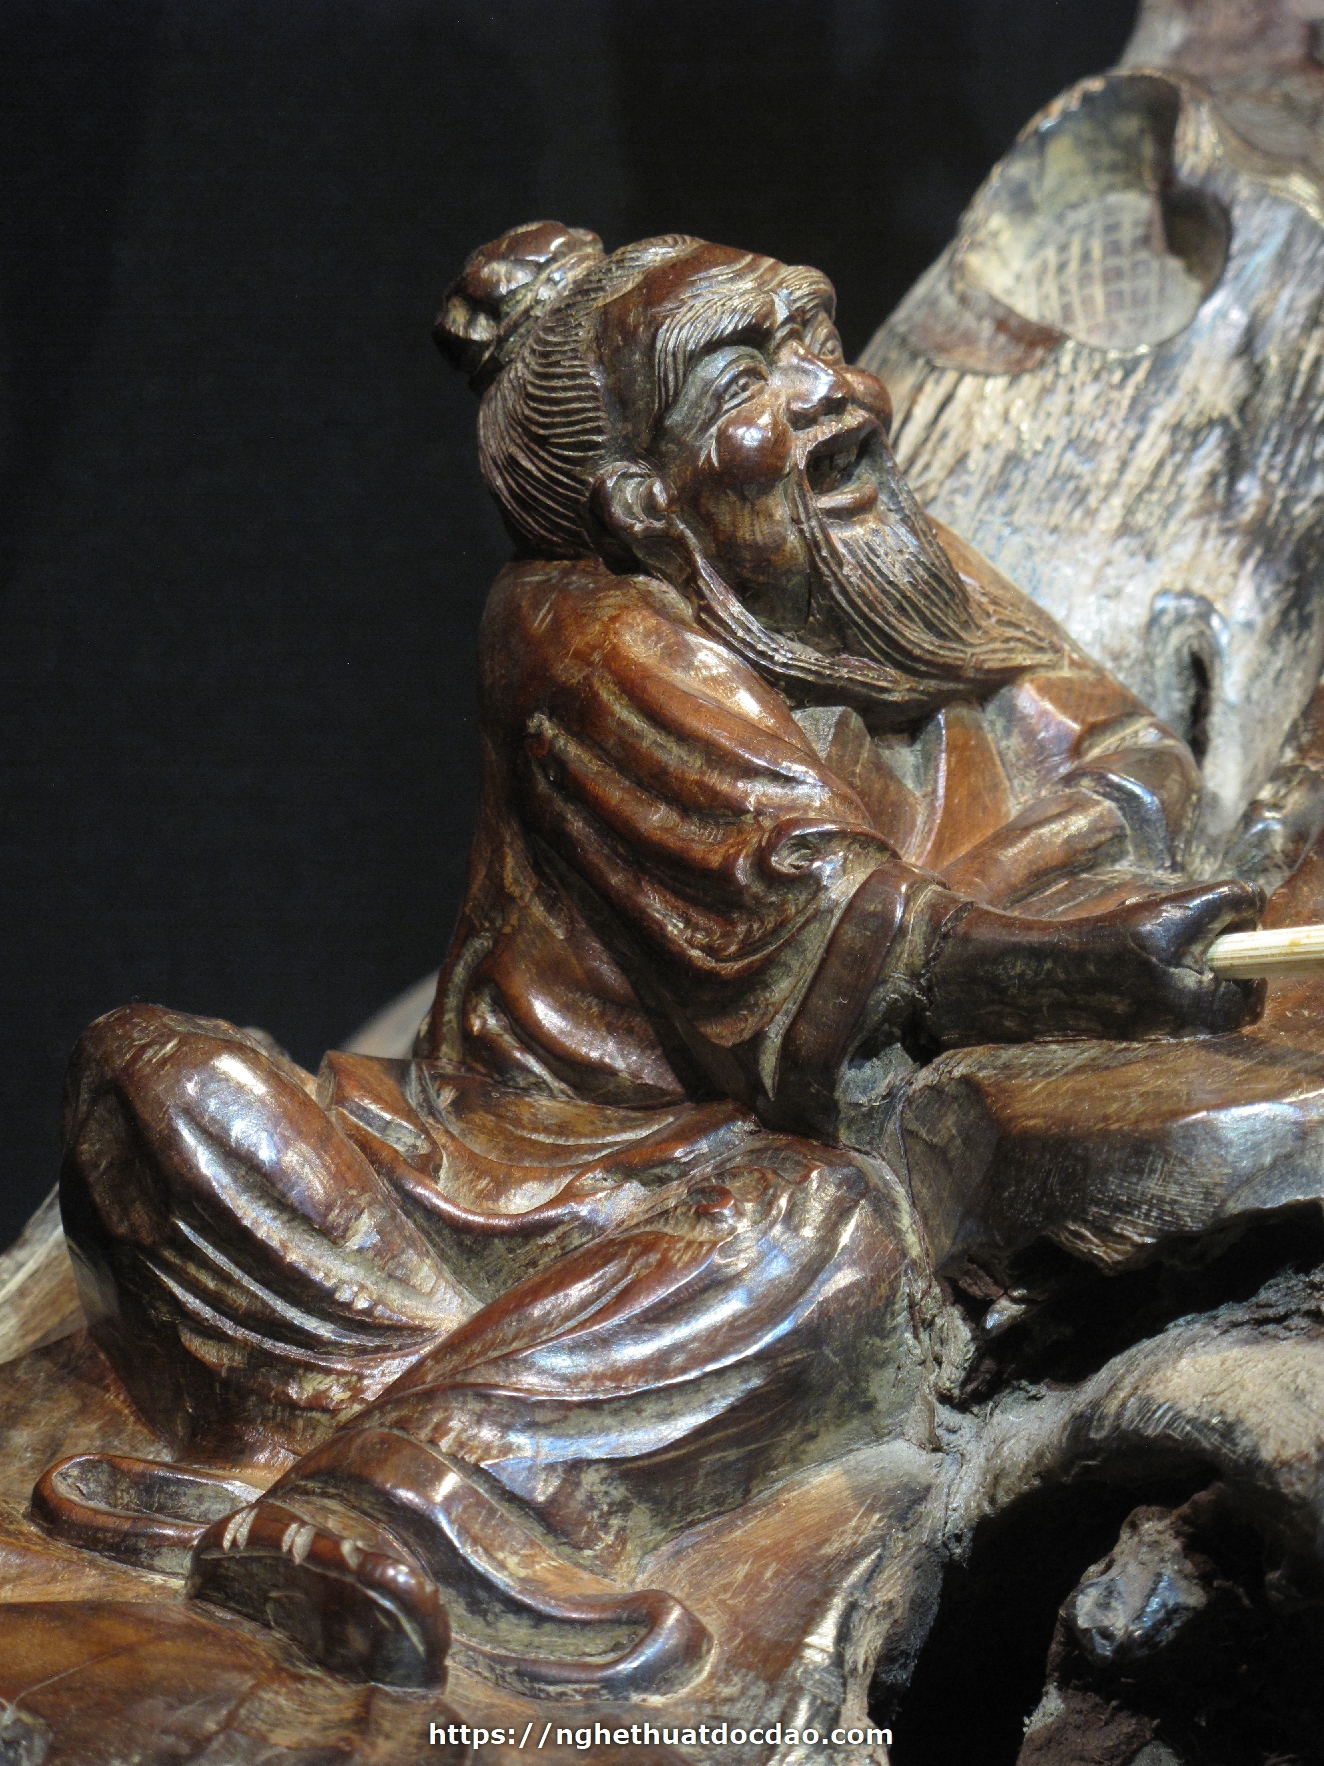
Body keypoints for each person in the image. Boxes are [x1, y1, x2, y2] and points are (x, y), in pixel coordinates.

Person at [58, 223, 1264, 1689]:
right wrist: (1024, 940)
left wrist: (1027, 899)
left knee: (829, 1232)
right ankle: (432, 1444)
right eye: (748, 378)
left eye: (814, 340)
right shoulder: (584, 628)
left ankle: (414, 1448)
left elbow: (1129, 753)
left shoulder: (869, 547)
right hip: (516, 1169)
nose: (834, 393)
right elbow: (824, 922)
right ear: (645, 498)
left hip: (711, 1194)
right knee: (157, 1081)